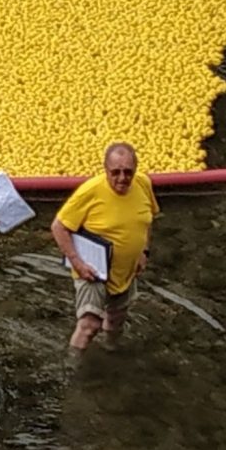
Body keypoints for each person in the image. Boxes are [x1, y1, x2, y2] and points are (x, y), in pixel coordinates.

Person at [51, 142, 160, 352]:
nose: (122, 178)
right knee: (89, 325)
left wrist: (144, 251)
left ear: (136, 170)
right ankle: (75, 364)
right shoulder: (90, 191)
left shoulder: (143, 184)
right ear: (105, 169)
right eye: (115, 172)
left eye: (128, 172)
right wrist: (77, 262)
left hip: (125, 269)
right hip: (92, 268)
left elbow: (147, 220)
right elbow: (59, 226)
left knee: (117, 319)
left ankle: (110, 352)